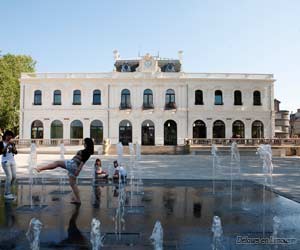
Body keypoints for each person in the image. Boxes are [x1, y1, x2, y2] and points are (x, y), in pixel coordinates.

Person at [36, 138, 94, 204]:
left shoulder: (87, 152)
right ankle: (78, 200)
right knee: (73, 184)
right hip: (74, 165)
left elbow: (82, 162)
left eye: (84, 143)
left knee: (57, 163)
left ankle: (40, 169)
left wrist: (78, 171)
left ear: (87, 144)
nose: (84, 144)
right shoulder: (87, 151)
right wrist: (77, 170)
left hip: (73, 165)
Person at [0, 130, 18, 200]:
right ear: (5, 136)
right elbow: (1, 152)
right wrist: (7, 145)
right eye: (8, 136)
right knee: (9, 177)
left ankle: (8, 190)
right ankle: (7, 193)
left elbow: (15, 152)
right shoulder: (1, 143)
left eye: (11, 136)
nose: (10, 137)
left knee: (14, 177)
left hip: (12, 161)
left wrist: (12, 145)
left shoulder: (12, 143)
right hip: (5, 161)